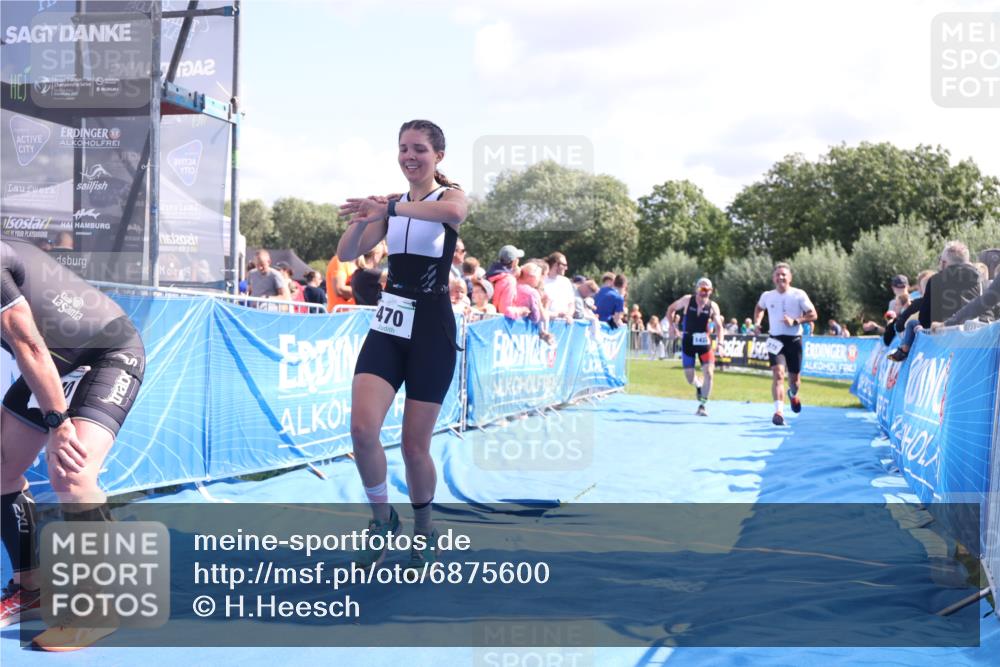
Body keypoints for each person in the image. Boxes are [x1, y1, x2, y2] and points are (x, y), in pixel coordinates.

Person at [0, 240, 145, 650]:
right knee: (2, 467)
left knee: (71, 470)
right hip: (58, 357)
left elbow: (29, 345)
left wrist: (58, 423)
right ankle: (30, 587)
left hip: (108, 351)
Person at [336, 120, 467, 570]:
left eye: (419, 149)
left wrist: (391, 207)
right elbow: (347, 253)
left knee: (414, 446)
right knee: (361, 430)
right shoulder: (391, 207)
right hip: (390, 325)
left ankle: (425, 529)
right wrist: (366, 217)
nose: (410, 156)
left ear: (438, 156)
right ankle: (381, 520)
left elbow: (455, 215)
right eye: (403, 148)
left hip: (432, 330)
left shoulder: (448, 197)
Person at [889, 241, 982, 361]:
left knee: (913, 324)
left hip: (943, 340)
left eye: (940, 260)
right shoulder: (977, 278)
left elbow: (924, 319)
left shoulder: (936, 280)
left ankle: (903, 350)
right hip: (972, 338)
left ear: (944, 263)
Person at [753, 262, 818, 426]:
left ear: (790, 278)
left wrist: (796, 321)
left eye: (784, 274)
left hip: (794, 340)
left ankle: (793, 394)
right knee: (778, 374)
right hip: (775, 339)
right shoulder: (767, 296)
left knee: (794, 381)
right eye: (777, 274)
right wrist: (757, 323)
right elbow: (759, 308)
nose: (780, 277)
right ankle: (779, 412)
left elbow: (813, 314)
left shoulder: (799, 294)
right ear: (773, 278)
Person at [666, 278, 724, 416]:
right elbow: (671, 309)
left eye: (707, 290)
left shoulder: (713, 306)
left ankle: (702, 405)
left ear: (711, 291)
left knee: (709, 373)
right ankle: (698, 384)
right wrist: (672, 326)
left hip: (704, 343)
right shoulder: (687, 300)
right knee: (689, 378)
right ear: (697, 289)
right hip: (688, 342)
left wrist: (721, 344)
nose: (704, 292)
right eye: (702, 289)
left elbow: (719, 327)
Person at [485, 245, 523, 314]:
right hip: (497, 318)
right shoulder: (509, 281)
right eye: (517, 258)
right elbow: (505, 310)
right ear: (514, 261)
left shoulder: (489, 274)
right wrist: (521, 311)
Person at [351, 241, 387, 307]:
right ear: (375, 255)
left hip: (366, 312)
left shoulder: (358, 273)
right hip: (372, 312)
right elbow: (396, 276)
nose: (380, 260)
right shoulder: (368, 274)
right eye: (381, 256)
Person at [543, 252, 576, 320]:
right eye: (564, 265)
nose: (566, 268)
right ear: (555, 264)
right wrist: (555, 314)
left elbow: (571, 304)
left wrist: (568, 315)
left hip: (563, 323)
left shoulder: (566, 281)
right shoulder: (542, 280)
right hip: (546, 321)